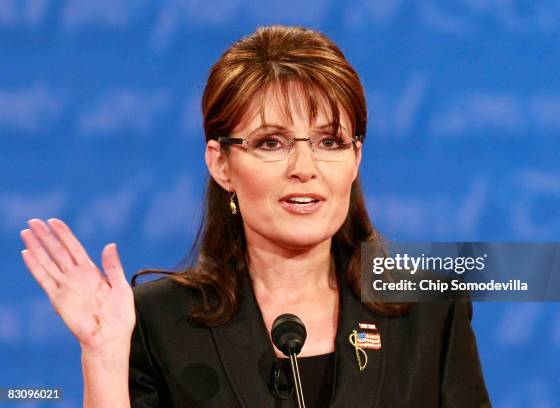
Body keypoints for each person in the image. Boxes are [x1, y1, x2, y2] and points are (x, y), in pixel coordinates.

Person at [20, 25, 491, 407]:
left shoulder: (429, 308)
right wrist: (103, 357)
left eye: (329, 142)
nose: (305, 169)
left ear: (356, 158)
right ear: (221, 164)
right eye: (272, 143)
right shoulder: (157, 323)